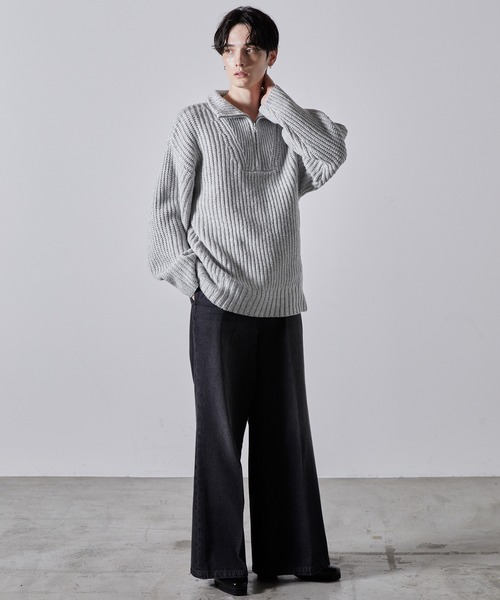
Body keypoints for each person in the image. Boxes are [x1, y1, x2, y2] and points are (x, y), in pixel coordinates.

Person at [148, 6, 347, 597]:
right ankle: (223, 563)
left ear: (270, 57)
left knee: (286, 435)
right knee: (219, 437)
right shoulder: (196, 122)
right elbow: (167, 208)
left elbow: (331, 156)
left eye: (252, 50)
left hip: (279, 299)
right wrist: (191, 281)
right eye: (231, 50)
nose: (239, 60)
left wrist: (275, 102)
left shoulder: (292, 128)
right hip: (218, 303)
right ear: (221, 55)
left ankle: (294, 556)